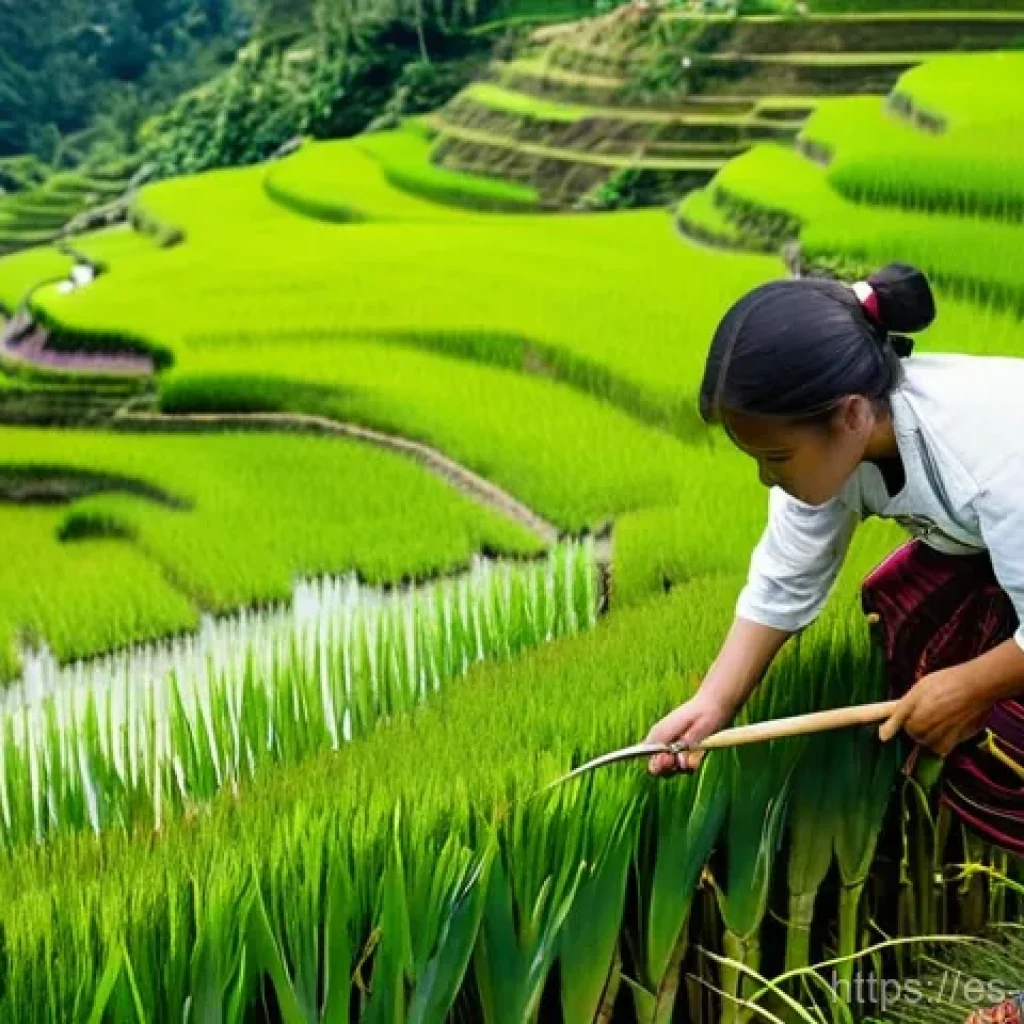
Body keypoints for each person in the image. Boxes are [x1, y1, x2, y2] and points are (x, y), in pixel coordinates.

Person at [645, 263, 1024, 856]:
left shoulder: (993, 459)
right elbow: (784, 581)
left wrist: (971, 686)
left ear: (850, 415)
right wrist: (712, 704)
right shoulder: (836, 450)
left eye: (775, 456)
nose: (767, 478)